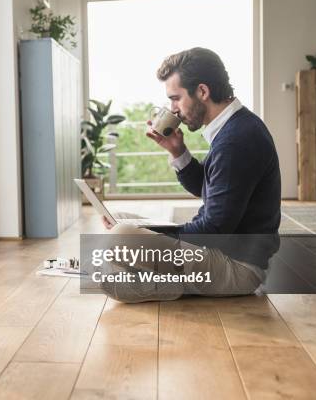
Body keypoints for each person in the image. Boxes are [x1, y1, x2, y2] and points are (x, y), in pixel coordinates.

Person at [100, 47, 281, 303]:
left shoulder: (236, 140)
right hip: (221, 250)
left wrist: (145, 231)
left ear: (203, 92)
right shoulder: (234, 127)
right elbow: (210, 190)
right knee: (119, 220)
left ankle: (152, 283)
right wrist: (177, 151)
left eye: (176, 98)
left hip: (237, 267)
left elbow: (213, 229)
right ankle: (127, 274)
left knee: (120, 237)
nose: (173, 110)